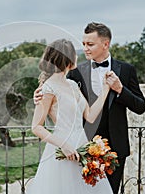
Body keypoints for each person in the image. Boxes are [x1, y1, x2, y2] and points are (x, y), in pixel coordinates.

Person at [34, 22, 145, 193]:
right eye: (83, 44)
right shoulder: (75, 74)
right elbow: (51, 97)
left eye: (90, 44)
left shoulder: (125, 70)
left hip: (113, 148)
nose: (85, 49)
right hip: (80, 147)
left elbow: (139, 106)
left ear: (105, 44)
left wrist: (117, 89)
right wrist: (39, 95)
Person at [27, 38, 113, 194]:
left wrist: (106, 89)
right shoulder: (47, 89)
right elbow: (36, 127)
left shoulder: (72, 85)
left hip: (82, 147)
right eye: (74, 53)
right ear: (67, 58)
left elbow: (90, 116)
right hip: (63, 150)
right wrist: (63, 145)